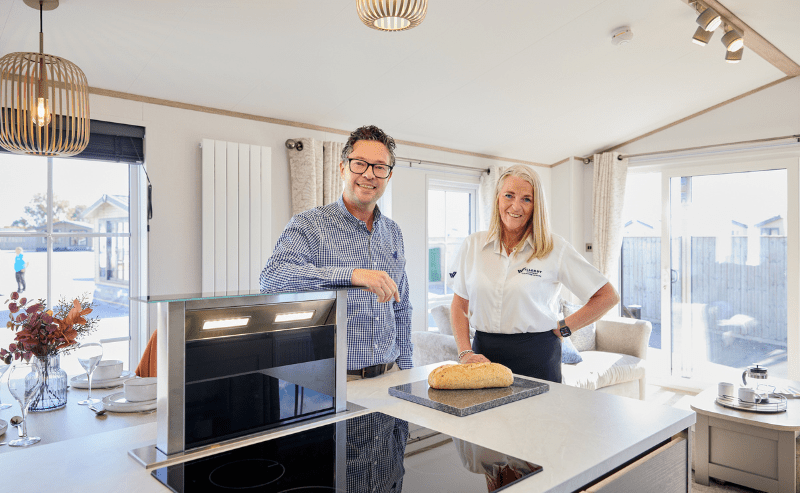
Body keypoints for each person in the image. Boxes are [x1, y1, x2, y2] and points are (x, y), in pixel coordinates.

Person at [260, 125, 413, 380]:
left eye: (379, 167)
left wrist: (407, 370)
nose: (369, 174)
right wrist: (352, 276)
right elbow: (271, 279)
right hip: (336, 381)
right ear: (343, 168)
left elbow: (402, 307)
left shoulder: (393, 232)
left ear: (388, 176)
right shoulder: (309, 224)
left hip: (391, 374)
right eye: (359, 164)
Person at [449, 165, 619, 383]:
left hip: (538, 357)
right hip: (484, 357)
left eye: (526, 199)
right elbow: (459, 304)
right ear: (497, 198)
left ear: (536, 206)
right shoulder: (472, 245)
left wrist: (563, 329)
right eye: (509, 195)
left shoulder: (555, 248)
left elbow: (607, 296)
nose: (516, 206)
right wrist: (465, 353)